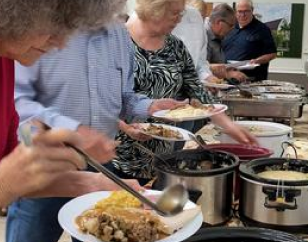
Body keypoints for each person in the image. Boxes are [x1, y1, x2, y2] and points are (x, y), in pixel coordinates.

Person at [0, 23, 183, 242]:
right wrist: (71, 132)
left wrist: (97, 183)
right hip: (36, 164)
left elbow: (124, 97)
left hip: (91, 168)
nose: (59, 43)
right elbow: (21, 112)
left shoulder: (117, 33)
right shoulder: (15, 46)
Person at [0, 0, 128, 217]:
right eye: (52, 27)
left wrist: (93, 184)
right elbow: (1, 181)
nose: (60, 44)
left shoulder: (2, 60)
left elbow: (12, 172)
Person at [113, 0, 258, 181]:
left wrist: (228, 125)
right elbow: (99, 103)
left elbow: (197, 90)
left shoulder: (175, 46)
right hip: (115, 156)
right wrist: (125, 127)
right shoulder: (115, 43)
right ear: (154, 10)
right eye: (175, 13)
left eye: (181, 13)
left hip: (163, 154)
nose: (179, 20)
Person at [222, 0, 277, 81]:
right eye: (240, 11)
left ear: (252, 10)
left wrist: (257, 61)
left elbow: (272, 54)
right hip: (227, 78)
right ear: (235, 12)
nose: (243, 15)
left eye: (246, 11)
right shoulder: (230, 27)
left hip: (251, 80)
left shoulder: (262, 29)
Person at [206, 3, 248, 82]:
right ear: (219, 22)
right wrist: (228, 74)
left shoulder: (218, 36)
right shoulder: (202, 35)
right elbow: (198, 68)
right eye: (230, 25)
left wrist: (230, 70)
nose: (232, 30)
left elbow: (218, 64)